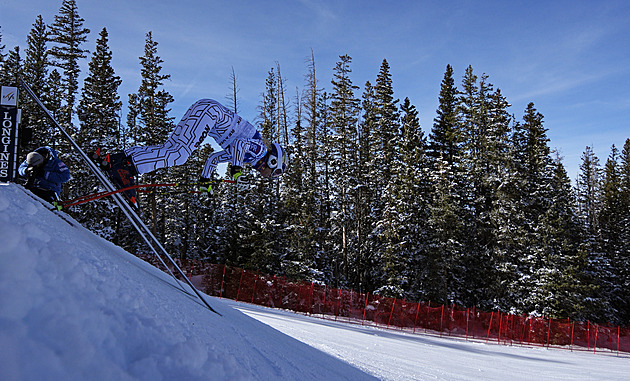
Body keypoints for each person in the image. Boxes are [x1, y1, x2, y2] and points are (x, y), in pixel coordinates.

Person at [103, 99, 288, 194]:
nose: (271, 177)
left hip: (207, 110)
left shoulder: (250, 156)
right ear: (273, 161)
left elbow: (214, 158)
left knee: (172, 149)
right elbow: (240, 143)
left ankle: (120, 159)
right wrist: (237, 171)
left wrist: (205, 180)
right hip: (211, 113)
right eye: (276, 172)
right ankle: (125, 168)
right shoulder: (260, 150)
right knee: (178, 154)